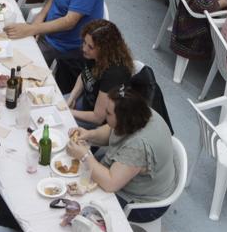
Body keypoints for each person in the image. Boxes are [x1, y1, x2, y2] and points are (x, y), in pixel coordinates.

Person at [68, 81, 178, 221]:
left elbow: (110, 183)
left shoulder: (138, 146)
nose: (104, 115)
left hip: (145, 205)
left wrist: (84, 155)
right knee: (83, 175)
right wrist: (89, 135)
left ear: (123, 118)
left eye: (108, 113)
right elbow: (112, 129)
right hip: (137, 178)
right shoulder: (139, 112)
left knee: (80, 201)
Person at [68, 21, 167, 128]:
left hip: (99, 123)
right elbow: (84, 76)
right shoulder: (92, 56)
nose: (84, 49)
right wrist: (72, 97)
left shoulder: (114, 74)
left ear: (104, 50)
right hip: (85, 104)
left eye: (90, 47)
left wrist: (69, 112)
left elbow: (98, 117)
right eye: (84, 43)